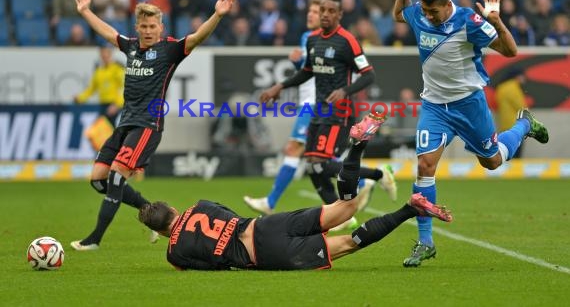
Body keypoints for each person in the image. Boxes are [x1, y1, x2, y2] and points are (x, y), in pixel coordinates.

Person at [139, 115, 453, 270]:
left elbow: (214, 266)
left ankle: (410, 209)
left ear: (162, 232)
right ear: (175, 211)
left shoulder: (174, 253)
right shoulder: (200, 204)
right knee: (346, 207)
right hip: (263, 225)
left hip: (264, 255)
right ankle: (357, 146)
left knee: (347, 242)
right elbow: (230, 216)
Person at [392, 0, 549, 267]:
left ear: (447, 4)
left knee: (491, 162)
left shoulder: (469, 22)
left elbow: (511, 51)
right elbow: (398, 13)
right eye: (424, 10)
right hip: (435, 107)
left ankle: (524, 124)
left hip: (469, 106)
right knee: (425, 166)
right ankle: (425, 241)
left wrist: (497, 22)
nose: (428, 16)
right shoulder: (419, 14)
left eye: (433, 11)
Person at [70, 0, 236, 251]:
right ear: (137, 27)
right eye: (143, 26)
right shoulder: (131, 47)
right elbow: (107, 32)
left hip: (148, 126)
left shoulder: (169, 50)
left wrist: (217, 15)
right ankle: (149, 212)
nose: (148, 31)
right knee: (98, 180)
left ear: (161, 27)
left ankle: (95, 239)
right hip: (124, 124)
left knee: (115, 178)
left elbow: (197, 37)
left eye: (152, 26)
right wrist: (86, 11)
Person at [245, 0, 396, 218]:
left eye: (330, 11)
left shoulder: (348, 41)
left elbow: (369, 74)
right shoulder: (313, 40)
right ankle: (342, 217)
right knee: (313, 167)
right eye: (322, 10)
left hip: (340, 112)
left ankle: (379, 174)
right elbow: (307, 72)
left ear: (339, 15)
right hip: (319, 110)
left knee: (322, 165)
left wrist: (345, 91)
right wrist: (280, 85)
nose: (325, 14)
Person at [494, 69, 528, 158]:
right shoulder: (513, 87)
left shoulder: (501, 87)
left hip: (504, 124)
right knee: (516, 154)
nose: (525, 78)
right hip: (516, 125)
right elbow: (521, 107)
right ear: (518, 76)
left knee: (507, 151)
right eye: (523, 76)